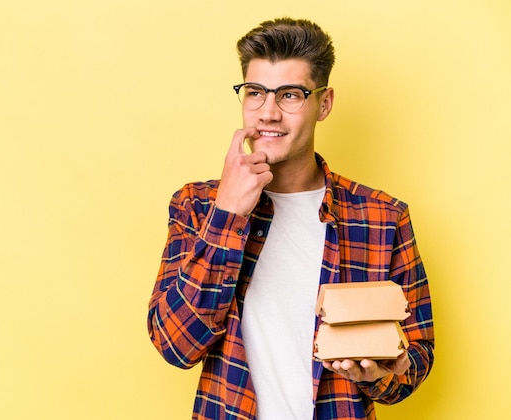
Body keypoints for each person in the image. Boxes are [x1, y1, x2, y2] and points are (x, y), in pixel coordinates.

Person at [147, 17, 434, 420]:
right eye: (255, 93)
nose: (268, 113)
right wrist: (227, 215)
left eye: (290, 95)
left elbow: (417, 356)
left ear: (325, 102)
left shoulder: (383, 218)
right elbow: (175, 345)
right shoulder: (196, 206)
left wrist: (381, 374)